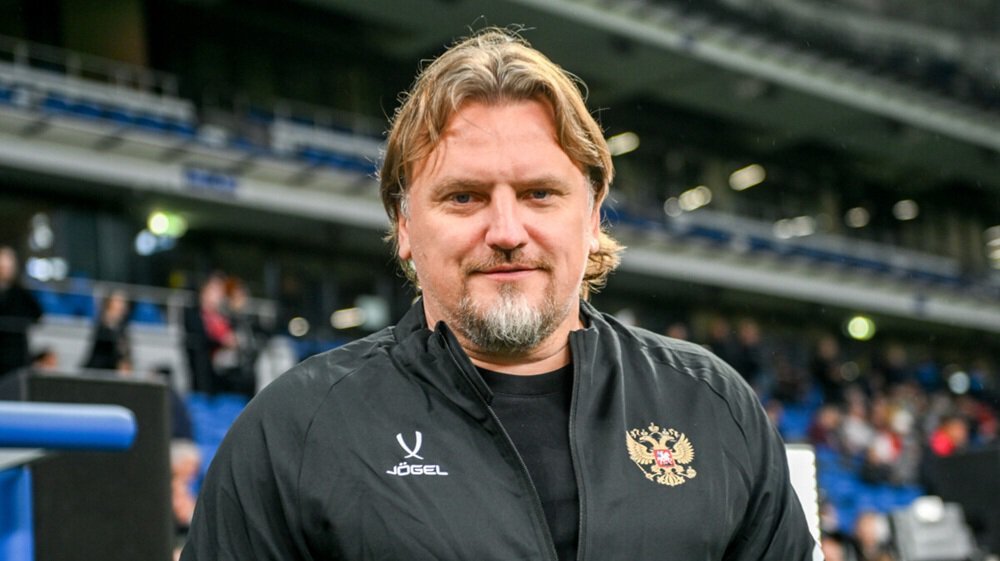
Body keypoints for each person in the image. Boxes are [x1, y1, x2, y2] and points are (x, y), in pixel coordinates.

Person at [182, 28, 816, 560]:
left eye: (540, 193)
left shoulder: (712, 406)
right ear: (405, 226)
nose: (507, 232)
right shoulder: (296, 430)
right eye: (464, 197)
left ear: (592, 214)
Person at [0, 246, 43, 378]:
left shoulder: (21, 294)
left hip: (15, 354)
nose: (5, 270)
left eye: (8, 266)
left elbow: (37, 314)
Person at [83, 289, 132, 372]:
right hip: (98, 369)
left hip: (114, 370)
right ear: (109, 303)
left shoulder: (123, 327)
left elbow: (125, 351)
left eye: (123, 302)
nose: (122, 305)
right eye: (118, 301)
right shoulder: (102, 323)